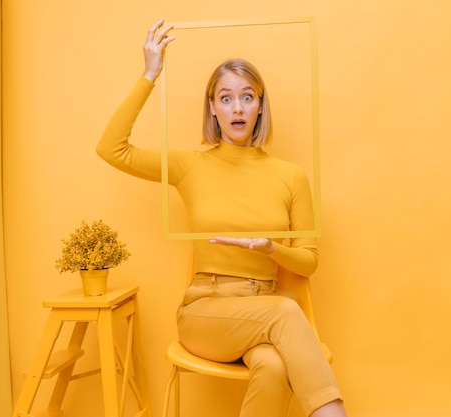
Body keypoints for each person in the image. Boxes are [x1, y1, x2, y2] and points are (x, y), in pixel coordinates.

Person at [96, 18, 348, 417]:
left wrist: (273, 249)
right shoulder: (190, 165)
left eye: (247, 97)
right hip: (205, 312)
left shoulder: (291, 176)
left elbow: (310, 261)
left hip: (263, 309)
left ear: (260, 105)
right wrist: (149, 74)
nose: (237, 107)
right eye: (226, 98)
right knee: (286, 311)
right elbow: (112, 149)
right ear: (212, 108)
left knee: (273, 364)